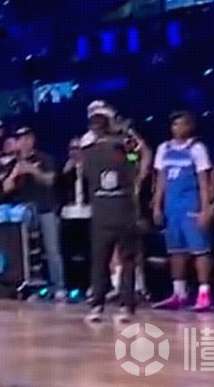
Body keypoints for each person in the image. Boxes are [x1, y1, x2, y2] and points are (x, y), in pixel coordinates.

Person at [80, 102, 142, 323]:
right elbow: (135, 165)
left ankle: (97, 306)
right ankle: (125, 307)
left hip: (104, 213)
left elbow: (85, 174)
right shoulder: (124, 147)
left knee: (100, 261)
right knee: (126, 261)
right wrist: (130, 149)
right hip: (122, 211)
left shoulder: (88, 151)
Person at [151, 111, 214, 311]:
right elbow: (161, 180)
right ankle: (178, 293)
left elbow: (204, 182)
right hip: (171, 206)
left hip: (190, 204)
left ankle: (204, 294)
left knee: (199, 249)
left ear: (190, 126)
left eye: (182, 124)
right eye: (175, 124)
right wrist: (157, 205)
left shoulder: (197, 148)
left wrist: (205, 209)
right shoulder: (164, 148)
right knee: (175, 251)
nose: (178, 128)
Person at [1, 127, 65, 299]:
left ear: (33, 140)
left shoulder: (45, 159)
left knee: (52, 250)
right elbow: (6, 188)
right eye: (20, 139)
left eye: (27, 138)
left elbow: (50, 180)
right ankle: (31, 286)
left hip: (45, 209)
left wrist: (33, 170)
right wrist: (15, 173)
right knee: (26, 251)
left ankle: (59, 286)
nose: (24, 142)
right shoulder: (12, 163)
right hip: (23, 213)